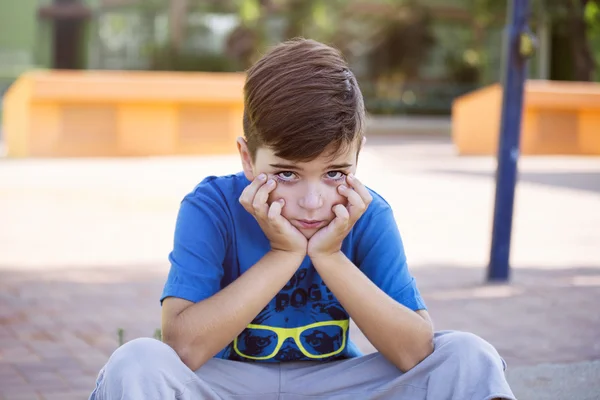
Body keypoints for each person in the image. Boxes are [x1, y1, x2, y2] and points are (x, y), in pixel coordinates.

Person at [89, 38, 516, 400]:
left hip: (337, 386)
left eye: (335, 173)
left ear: (357, 158)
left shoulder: (366, 214)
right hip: (227, 389)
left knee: (468, 356)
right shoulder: (211, 207)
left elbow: (415, 352)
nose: (313, 202)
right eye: (287, 174)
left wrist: (330, 257)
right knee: (137, 362)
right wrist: (283, 254)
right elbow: (182, 348)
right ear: (247, 160)